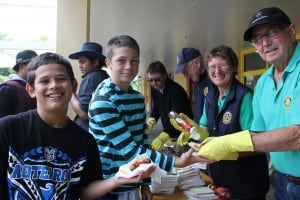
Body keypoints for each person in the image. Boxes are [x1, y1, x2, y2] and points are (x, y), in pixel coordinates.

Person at [0, 52, 155, 200]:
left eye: (61, 79)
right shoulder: (8, 129)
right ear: (31, 90)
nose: (54, 85)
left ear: (73, 86)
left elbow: (84, 191)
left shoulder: (85, 140)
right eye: (44, 81)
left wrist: (117, 180)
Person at [196, 7, 300, 200]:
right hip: (283, 182)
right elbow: (257, 136)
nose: (265, 43)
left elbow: (297, 136)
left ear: (292, 32)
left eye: (273, 33)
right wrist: (197, 135)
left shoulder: (246, 94)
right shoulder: (263, 83)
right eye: (257, 39)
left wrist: (226, 144)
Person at [88, 35, 205, 200]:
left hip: (134, 180)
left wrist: (144, 183)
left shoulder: (137, 98)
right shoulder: (103, 100)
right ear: (108, 63)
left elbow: (142, 141)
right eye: (121, 60)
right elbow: (131, 151)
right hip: (109, 184)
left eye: (134, 61)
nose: (129, 66)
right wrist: (177, 162)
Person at [198, 45, 269, 199]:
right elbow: (205, 128)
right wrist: (193, 131)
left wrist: (226, 150)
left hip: (246, 182)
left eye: (223, 65)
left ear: (234, 67)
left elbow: (255, 142)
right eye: (212, 66)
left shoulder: (245, 97)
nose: (217, 71)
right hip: (219, 178)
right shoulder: (210, 96)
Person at [146, 60, 193, 153]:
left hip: (183, 133)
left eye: (157, 79)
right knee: (169, 159)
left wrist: (162, 136)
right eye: (151, 80)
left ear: (165, 76)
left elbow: (177, 119)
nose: (154, 83)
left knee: (183, 161)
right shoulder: (155, 89)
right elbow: (157, 107)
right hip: (169, 132)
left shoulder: (176, 91)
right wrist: (152, 118)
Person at [69, 42, 109, 131]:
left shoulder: (91, 77)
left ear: (95, 62)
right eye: (79, 62)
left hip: (88, 133)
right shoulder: (103, 76)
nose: (80, 66)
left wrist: (70, 93)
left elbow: (83, 113)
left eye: (83, 62)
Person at [174, 47, 213, 123]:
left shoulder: (213, 80)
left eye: (186, 70)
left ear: (197, 63)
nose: (185, 75)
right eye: (183, 72)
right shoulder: (196, 84)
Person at [0, 50, 37, 118]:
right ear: (22, 65)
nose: (37, 68)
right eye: (34, 65)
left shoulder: (34, 86)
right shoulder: (7, 88)